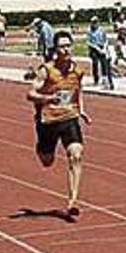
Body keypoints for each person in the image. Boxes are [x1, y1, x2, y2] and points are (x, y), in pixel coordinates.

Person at [26, 31, 91, 217]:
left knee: (76, 154)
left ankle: (72, 202)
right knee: (47, 161)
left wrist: (82, 109)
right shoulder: (46, 70)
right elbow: (30, 94)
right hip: (48, 120)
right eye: (62, 46)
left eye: (68, 45)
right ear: (56, 49)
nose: (66, 49)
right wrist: (48, 98)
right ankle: (41, 148)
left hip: (69, 117)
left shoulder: (77, 70)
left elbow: (79, 90)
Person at [85, 17, 112, 88]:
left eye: (96, 22)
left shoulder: (102, 30)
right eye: (93, 22)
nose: (95, 24)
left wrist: (104, 48)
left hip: (102, 47)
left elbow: (106, 40)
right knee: (95, 63)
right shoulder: (89, 31)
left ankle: (104, 78)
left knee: (104, 63)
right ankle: (96, 79)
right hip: (94, 48)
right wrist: (97, 48)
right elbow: (88, 42)